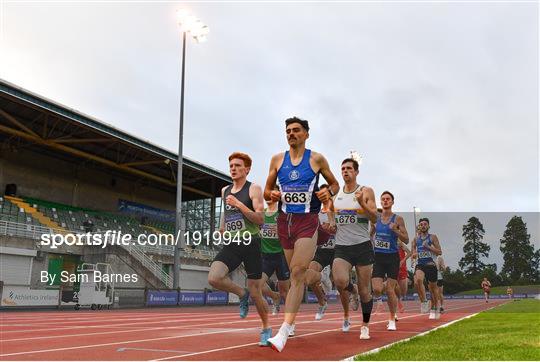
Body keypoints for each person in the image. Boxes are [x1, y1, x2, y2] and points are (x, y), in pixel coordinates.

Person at [264, 117, 339, 352]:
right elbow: (267, 191)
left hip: (307, 221)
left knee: (296, 272)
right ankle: (306, 299)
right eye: (288, 131)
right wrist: (272, 195)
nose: (291, 134)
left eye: (296, 130)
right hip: (284, 223)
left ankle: (284, 330)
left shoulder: (316, 159)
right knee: (296, 274)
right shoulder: (277, 160)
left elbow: (334, 185)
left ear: (306, 134)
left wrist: (327, 192)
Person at [207, 152, 270, 346]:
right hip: (233, 243)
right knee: (214, 278)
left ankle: (266, 328)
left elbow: (260, 220)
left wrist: (240, 204)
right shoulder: (225, 190)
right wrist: (222, 226)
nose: (233, 168)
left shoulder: (254, 189)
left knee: (256, 291)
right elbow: (227, 213)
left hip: (251, 243)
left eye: (237, 165)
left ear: (247, 169)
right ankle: (241, 294)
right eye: (231, 165)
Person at [328, 157, 377, 340]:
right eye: (343, 169)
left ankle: (365, 326)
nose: (345, 171)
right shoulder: (336, 196)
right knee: (340, 281)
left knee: (366, 291)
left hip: (362, 246)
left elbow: (374, 218)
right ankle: (352, 290)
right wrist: (332, 223)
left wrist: (362, 203)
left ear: (356, 172)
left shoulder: (365, 191)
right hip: (342, 247)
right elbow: (331, 213)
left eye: (349, 168)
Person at [371, 191, 409, 331]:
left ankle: (392, 318)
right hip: (379, 257)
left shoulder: (398, 219)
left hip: (392, 257)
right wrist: (372, 231)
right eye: (383, 199)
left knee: (390, 289)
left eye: (388, 199)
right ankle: (382, 304)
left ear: (392, 202)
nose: (385, 201)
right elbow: (371, 236)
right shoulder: (376, 219)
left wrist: (396, 230)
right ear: (381, 202)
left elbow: (406, 239)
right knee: (376, 288)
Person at [305, 185, 338, 321]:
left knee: (341, 282)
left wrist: (333, 228)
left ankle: (352, 290)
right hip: (321, 250)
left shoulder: (338, 210)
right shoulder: (315, 211)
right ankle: (322, 302)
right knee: (310, 278)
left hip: (337, 250)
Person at [260, 197, 290, 316]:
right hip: (266, 256)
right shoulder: (261, 213)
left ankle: (290, 322)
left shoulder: (283, 213)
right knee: (258, 284)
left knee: (285, 291)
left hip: (281, 256)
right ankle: (274, 296)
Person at [412, 217, 442, 319]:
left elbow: (439, 252)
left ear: (428, 226)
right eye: (421, 224)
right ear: (419, 226)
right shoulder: (415, 239)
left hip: (430, 264)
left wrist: (429, 247)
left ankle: (435, 308)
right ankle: (424, 301)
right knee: (417, 281)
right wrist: (414, 255)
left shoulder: (433, 237)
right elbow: (413, 252)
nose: (423, 226)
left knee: (433, 289)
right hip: (420, 264)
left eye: (425, 224)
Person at [396, 241, 412, 314]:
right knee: (394, 287)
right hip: (392, 268)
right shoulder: (388, 241)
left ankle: (406, 279)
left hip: (402, 269)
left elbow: (409, 252)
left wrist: (402, 261)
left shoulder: (400, 243)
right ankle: (398, 301)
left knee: (403, 292)